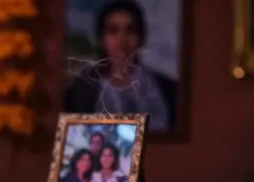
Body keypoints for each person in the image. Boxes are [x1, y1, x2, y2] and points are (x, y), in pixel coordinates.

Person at [64, 0, 176, 131]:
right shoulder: (82, 90)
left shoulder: (165, 88)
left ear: (141, 37)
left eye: (130, 30)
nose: (122, 39)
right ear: (102, 39)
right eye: (113, 31)